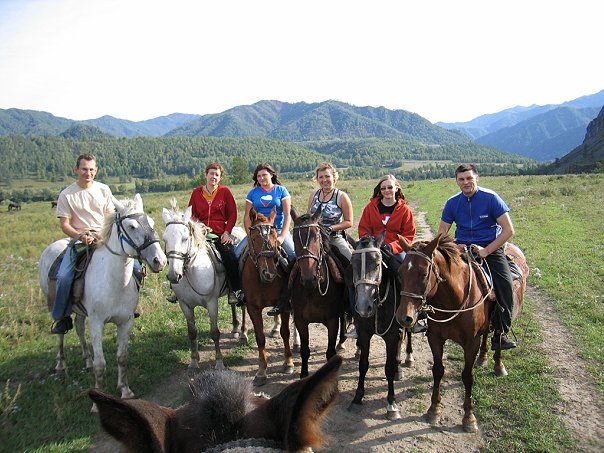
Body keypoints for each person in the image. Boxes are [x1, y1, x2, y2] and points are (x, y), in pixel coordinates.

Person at [436, 164, 517, 350]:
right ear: (456, 181)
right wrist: (454, 246)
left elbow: (508, 230)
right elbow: (441, 233)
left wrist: (487, 250)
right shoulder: (452, 203)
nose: (466, 182)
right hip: (462, 248)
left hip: (490, 248)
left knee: (505, 284)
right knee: (437, 278)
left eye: (469, 178)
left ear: (477, 178)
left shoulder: (491, 198)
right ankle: (431, 319)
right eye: (461, 179)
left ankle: (500, 332)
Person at [51, 154, 115, 334]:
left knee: (133, 266)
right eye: (84, 169)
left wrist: (102, 234)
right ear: (76, 169)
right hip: (80, 242)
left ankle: (127, 307)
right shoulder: (67, 194)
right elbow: (64, 224)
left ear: (96, 171)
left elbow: (110, 217)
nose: (88, 173)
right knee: (63, 277)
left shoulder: (104, 190)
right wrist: (80, 236)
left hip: (103, 239)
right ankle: (62, 317)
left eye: (91, 169)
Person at [349, 174, 420, 337]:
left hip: (395, 251)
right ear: (379, 191)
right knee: (353, 273)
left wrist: (392, 246)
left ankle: (412, 315)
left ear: (396, 189)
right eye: (384, 188)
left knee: (407, 276)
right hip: (373, 250)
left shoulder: (405, 210)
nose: (387, 190)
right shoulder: (370, 207)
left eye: (390, 187)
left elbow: (409, 235)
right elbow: (363, 229)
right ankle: (356, 319)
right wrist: (373, 244)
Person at [234, 163, 294, 316]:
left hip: (277, 230)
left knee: (293, 255)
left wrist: (281, 236)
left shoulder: (281, 191)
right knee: (236, 254)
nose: (261, 178)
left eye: (264, 175)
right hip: (257, 233)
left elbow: (287, 216)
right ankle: (241, 291)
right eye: (258, 176)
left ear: (272, 175)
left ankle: (291, 294)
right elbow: (247, 217)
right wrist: (250, 235)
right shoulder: (253, 193)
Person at [186, 162, 241, 305]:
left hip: (219, 234)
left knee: (230, 256)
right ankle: (178, 290)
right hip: (199, 234)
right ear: (206, 175)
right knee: (181, 253)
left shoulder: (225, 192)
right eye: (211, 173)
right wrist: (198, 226)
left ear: (220, 178)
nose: (214, 177)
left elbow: (232, 214)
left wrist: (227, 232)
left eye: (217, 175)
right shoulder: (197, 193)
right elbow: (191, 214)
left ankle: (234, 290)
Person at [307, 162, 353, 262]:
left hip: (334, 238)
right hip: (313, 238)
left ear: (334, 177)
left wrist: (330, 228)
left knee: (351, 261)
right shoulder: (314, 195)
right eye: (321, 177)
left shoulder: (341, 197)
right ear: (317, 179)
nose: (324, 180)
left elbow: (349, 222)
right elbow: (309, 217)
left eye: (327, 176)